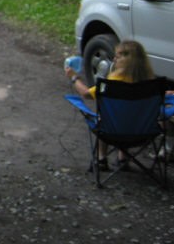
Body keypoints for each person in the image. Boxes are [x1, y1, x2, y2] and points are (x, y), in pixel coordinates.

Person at [65, 40, 156, 170]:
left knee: (106, 117)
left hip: (112, 132)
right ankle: (123, 158)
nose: (114, 59)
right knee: (129, 115)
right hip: (144, 132)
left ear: (127, 60)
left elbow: (86, 94)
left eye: (117, 57)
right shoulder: (151, 84)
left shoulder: (111, 84)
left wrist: (74, 77)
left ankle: (101, 159)